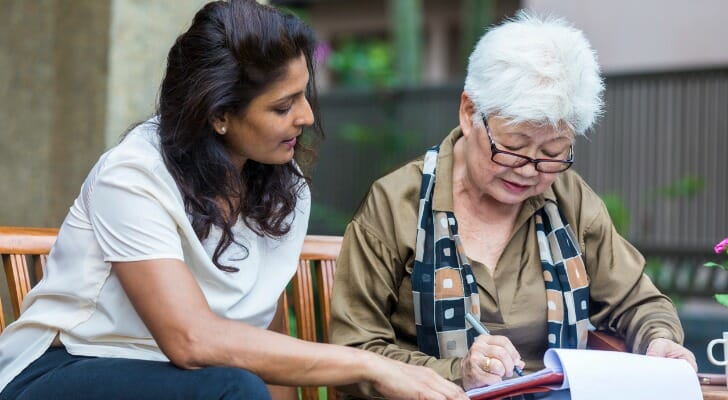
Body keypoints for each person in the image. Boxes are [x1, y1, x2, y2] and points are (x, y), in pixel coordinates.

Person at [0, 1, 468, 399]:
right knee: (233, 388)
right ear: (219, 114)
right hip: (62, 368)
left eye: (304, 95)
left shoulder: (283, 190)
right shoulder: (133, 176)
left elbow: (259, 341)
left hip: (190, 382)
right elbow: (191, 340)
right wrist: (370, 365)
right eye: (283, 106)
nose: (305, 116)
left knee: (237, 385)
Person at [329, 11, 697, 398]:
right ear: (470, 113)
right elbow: (353, 352)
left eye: (553, 153)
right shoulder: (396, 204)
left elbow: (638, 301)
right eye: (514, 147)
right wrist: (457, 373)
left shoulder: (568, 201)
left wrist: (659, 340)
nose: (528, 170)